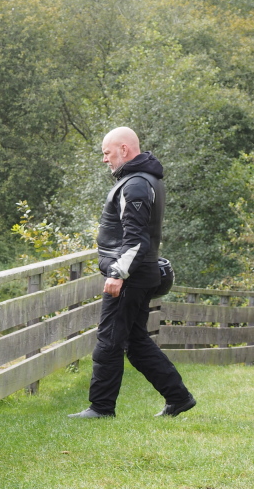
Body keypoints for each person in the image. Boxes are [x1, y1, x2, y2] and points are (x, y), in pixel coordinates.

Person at [70, 127, 196, 420]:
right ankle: (178, 397)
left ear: (124, 149)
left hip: (129, 278)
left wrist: (117, 273)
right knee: (135, 342)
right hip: (139, 275)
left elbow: (136, 238)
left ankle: (101, 408)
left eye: (107, 153)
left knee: (109, 340)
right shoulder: (143, 180)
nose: (105, 159)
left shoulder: (136, 184)